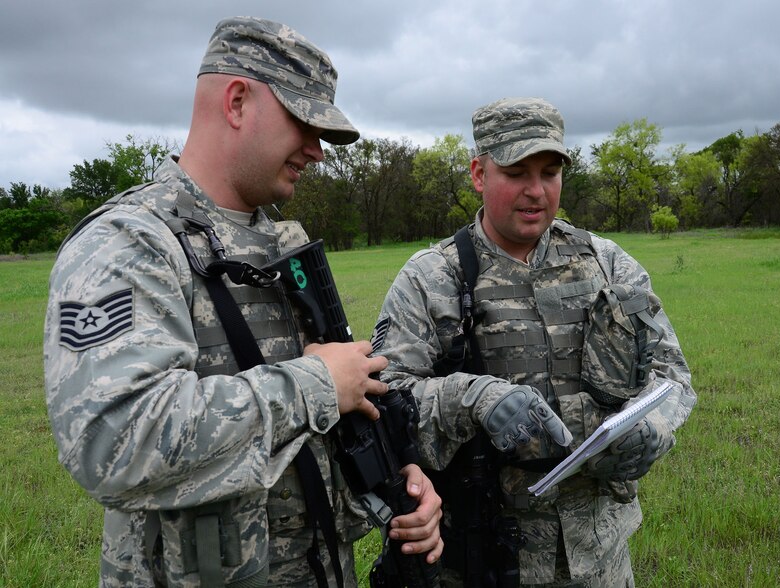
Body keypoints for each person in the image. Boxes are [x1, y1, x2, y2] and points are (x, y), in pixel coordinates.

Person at [44, 16, 443, 587]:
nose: (318, 151)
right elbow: (112, 445)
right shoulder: (129, 244)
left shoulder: (283, 246)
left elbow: (319, 433)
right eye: (304, 123)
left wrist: (402, 484)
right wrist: (316, 384)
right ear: (236, 102)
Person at [371, 97, 697, 586]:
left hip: (599, 559)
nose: (536, 191)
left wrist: (652, 429)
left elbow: (671, 375)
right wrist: (471, 398)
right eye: (517, 172)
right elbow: (384, 402)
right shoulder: (431, 278)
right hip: (485, 560)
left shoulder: (608, 264)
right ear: (480, 174)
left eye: (549, 172)